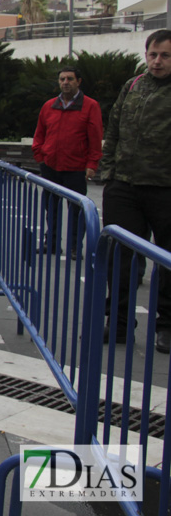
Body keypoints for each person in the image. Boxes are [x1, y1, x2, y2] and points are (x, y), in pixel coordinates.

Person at [100, 29, 171, 353]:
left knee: (167, 262)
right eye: (153, 54)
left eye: (165, 56)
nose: (157, 61)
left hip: (165, 189)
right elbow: (113, 129)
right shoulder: (132, 86)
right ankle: (118, 325)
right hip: (125, 186)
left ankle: (166, 327)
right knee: (121, 259)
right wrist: (110, 172)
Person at [33, 66, 103, 195]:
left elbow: (95, 137)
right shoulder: (48, 106)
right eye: (62, 79)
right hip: (50, 167)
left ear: (79, 81)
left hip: (76, 169)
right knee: (51, 209)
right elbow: (39, 134)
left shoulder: (91, 106)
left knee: (76, 211)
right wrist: (40, 157)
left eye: (70, 79)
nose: (65, 82)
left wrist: (92, 164)